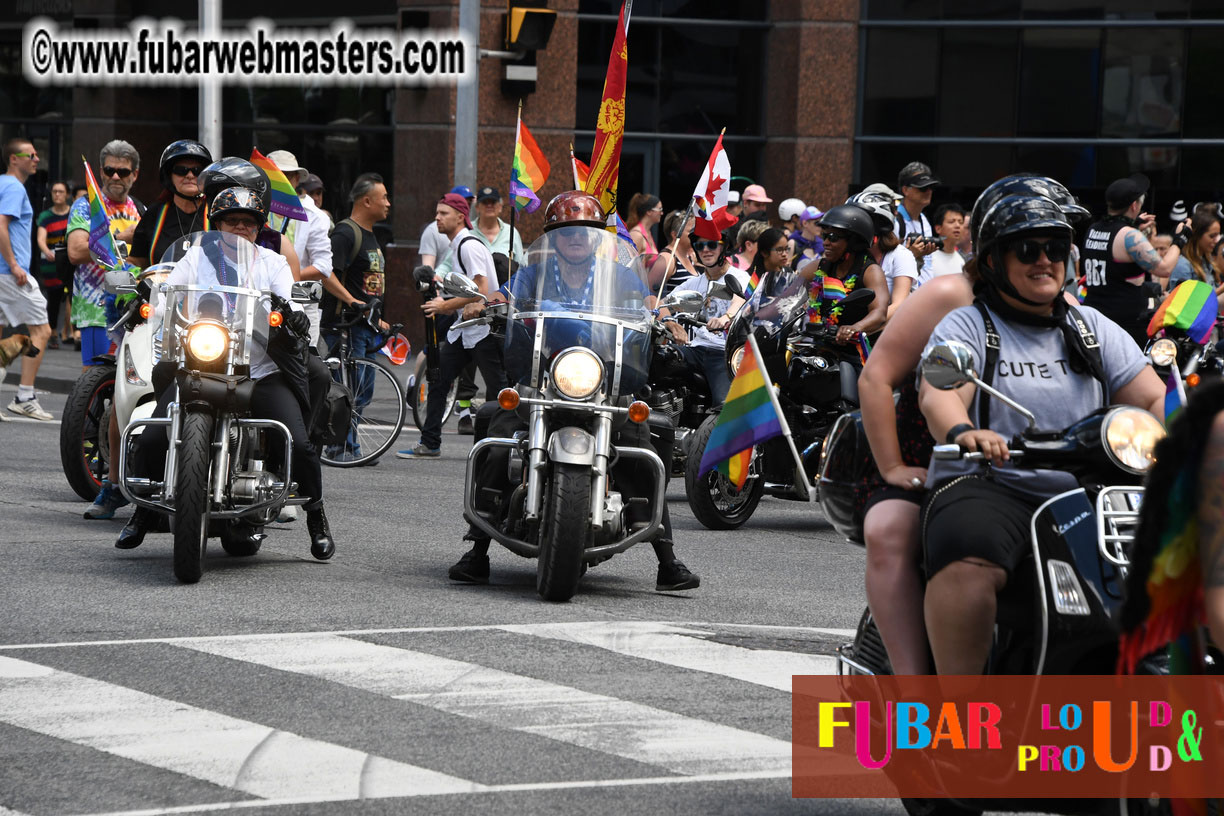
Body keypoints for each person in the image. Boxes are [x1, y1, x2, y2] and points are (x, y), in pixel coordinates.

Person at [918, 191, 1165, 675]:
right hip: (992, 483)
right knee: (970, 559)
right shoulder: (968, 324)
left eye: (1055, 248)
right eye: (1027, 250)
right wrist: (966, 431)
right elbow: (938, 393)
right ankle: (960, 721)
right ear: (992, 260)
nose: (1045, 261)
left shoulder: (1089, 326)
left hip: (1090, 493)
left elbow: (1154, 399)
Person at [447, 190, 699, 592]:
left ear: (599, 237)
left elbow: (647, 299)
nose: (576, 239)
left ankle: (666, 557)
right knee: (494, 423)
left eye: (586, 232)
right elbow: (505, 295)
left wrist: (665, 317)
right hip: (544, 379)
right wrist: (487, 303)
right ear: (554, 238)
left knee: (647, 436)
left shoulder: (616, 275)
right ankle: (478, 548)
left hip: (605, 384)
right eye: (566, 232)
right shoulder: (535, 273)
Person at [114, 186, 335, 559]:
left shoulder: (271, 263)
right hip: (199, 362)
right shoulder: (196, 259)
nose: (240, 228)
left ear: (258, 227)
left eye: (248, 223)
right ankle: (143, 510)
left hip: (259, 370)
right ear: (217, 224)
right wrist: (144, 296)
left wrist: (292, 312)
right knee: (152, 437)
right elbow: (166, 286)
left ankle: (316, 515)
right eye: (232, 221)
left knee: (298, 442)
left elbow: (284, 296)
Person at [397, 192, 506, 459]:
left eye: (443, 213)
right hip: (465, 329)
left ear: (461, 216)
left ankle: (499, 447)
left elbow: (481, 289)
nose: (437, 218)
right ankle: (430, 441)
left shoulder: (468, 245)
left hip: (483, 329)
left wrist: (443, 306)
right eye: (436, 213)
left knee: (499, 389)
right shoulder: (458, 245)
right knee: (438, 377)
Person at [321, 173, 391, 462]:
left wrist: (380, 319)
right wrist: (351, 300)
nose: (389, 203)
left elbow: (370, 282)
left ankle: (345, 443)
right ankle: (342, 447)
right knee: (346, 389)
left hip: (366, 326)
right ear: (367, 200)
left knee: (363, 390)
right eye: (384, 197)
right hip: (345, 324)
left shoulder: (372, 235)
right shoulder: (345, 233)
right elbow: (326, 273)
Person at [65, 141, 143, 372]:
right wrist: (122, 238)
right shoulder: (86, 206)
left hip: (133, 308)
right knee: (95, 379)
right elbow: (76, 251)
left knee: (129, 379)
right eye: (110, 170)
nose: (116, 176)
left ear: (135, 174)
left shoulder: (140, 210)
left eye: (123, 171)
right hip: (96, 308)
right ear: (101, 172)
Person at [1081, 173, 1182, 347]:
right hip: (1126, 324)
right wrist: (1180, 239)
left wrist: (1133, 224)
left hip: (1094, 316)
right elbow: (1164, 268)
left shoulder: (1093, 229)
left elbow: (1111, 243)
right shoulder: (1130, 236)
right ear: (1134, 205)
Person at [0, 138, 53, 420]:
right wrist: (14, 265)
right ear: (13, 159)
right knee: (42, 332)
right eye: (30, 155)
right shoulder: (13, 187)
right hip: (11, 274)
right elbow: (1, 224)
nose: (36, 159)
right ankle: (25, 395)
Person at [669, 231, 749, 404]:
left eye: (712, 244)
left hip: (723, 353)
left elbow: (740, 299)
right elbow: (659, 303)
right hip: (695, 349)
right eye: (700, 246)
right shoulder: (694, 283)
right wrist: (671, 324)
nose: (706, 250)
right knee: (658, 361)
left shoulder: (740, 277)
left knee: (724, 406)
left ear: (724, 246)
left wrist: (725, 317)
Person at [266, 150, 335, 347]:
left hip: (301, 301)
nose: (280, 181)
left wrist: (284, 278)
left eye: (285, 175)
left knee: (304, 363)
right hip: (261, 299)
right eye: (274, 175)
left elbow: (323, 267)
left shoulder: (315, 215)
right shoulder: (256, 209)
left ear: (296, 179)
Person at [797, 205, 889, 346]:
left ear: (853, 242)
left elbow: (879, 312)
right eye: (824, 236)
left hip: (853, 353)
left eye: (833, 237)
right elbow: (787, 297)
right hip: (820, 348)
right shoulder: (819, 266)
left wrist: (854, 328)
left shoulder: (871, 271)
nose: (826, 242)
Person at [127, 139, 213, 269]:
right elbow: (137, 261)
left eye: (197, 170)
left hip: (207, 289)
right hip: (161, 288)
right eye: (181, 170)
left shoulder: (216, 211)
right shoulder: (154, 213)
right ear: (169, 176)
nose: (190, 175)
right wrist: (126, 271)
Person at [36, 180, 71, 348]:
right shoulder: (45, 217)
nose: (57, 194)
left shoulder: (73, 214)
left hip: (70, 262)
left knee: (73, 297)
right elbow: (40, 239)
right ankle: (52, 332)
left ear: (67, 195)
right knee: (54, 299)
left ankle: (74, 332)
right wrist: (47, 250)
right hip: (51, 264)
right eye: (54, 192)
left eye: (61, 191)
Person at [471, 185, 526, 286]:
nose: (489, 205)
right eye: (485, 202)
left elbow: (521, 267)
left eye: (493, 202)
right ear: (477, 207)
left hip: (505, 295)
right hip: (474, 294)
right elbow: (449, 263)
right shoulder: (467, 232)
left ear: (500, 207)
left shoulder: (511, 232)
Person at [893, 162, 941, 276]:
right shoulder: (894, 220)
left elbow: (928, 264)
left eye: (931, 187)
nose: (929, 191)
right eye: (923, 187)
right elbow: (885, 265)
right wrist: (910, 255)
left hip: (925, 291)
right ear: (905, 190)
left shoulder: (924, 220)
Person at [1167, 211, 1221, 292]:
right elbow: (1182, 301)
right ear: (1197, 236)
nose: (1216, 240)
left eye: (1218, 235)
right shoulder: (1182, 264)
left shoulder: (1208, 262)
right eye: (1212, 236)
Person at [647, 209, 699, 294]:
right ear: (675, 235)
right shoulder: (667, 259)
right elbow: (648, 294)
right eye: (691, 231)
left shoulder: (690, 257)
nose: (696, 235)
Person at [918, 203, 967, 284]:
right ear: (938, 228)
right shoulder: (927, 257)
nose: (957, 225)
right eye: (952, 221)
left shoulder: (963, 260)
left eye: (961, 222)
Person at [625, 193, 663, 268]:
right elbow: (627, 265)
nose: (662, 213)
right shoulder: (636, 235)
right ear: (649, 212)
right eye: (660, 209)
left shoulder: (647, 233)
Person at [789, 206, 824, 271]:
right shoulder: (793, 243)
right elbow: (786, 269)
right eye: (817, 223)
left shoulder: (822, 244)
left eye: (821, 223)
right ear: (805, 223)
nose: (820, 227)